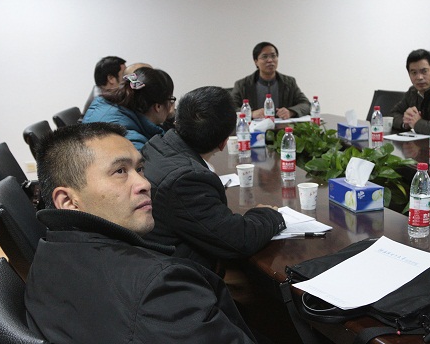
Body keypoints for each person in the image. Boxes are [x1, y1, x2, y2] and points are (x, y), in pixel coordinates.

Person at [25, 122, 257, 343]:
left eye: (139, 169)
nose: (145, 184)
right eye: (120, 171)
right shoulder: (159, 288)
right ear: (68, 201)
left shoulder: (45, 254)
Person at [142, 86, 286, 272]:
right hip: (178, 273)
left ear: (177, 121)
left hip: (152, 259)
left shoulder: (156, 145)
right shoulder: (186, 180)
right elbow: (239, 240)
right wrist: (270, 215)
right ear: (224, 142)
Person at [82, 67, 174, 150]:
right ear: (158, 106)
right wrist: (171, 120)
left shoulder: (104, 105)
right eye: (171, 99)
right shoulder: (133, 143)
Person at [231, 42, 310, 120]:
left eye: (273, 56)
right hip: (253, 127)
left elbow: (306, 104)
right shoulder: (242, 85)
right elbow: (230, 108)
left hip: (282, 126)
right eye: (264, 57)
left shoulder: (289, 82)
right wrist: (251, 113)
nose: (270, 60)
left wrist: (291, 112)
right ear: (256, 61)